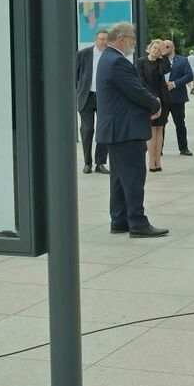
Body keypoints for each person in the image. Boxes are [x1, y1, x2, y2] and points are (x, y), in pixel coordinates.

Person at [95, 22, 167, 238]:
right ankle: (137, 222)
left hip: (117, 129)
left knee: (119, 178)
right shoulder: (117, 61)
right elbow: (135, 90)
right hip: (126, 130)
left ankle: (119, 219)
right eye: (132, 38)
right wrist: (155, 105)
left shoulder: (108, 59)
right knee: (134, 177)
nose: (134, 42)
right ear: (121, 39)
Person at [74, 28, 111, 175]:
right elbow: (75, 75)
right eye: (101, 39)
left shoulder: (110, 55)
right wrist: (79, 92)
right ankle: (87, 162)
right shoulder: (83, 54)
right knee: (87, 129)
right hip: (87, 97)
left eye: (106, 39)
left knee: (103, 130)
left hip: (105, 98)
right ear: (95, 39)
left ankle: (100, 163)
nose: (104, 42)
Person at [136, 39, 171, 172]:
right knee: (151, 130)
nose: (156, 50)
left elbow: (167, 69)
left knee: (160, 129)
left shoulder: (161, 62)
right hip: (149, 98)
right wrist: (152, 97)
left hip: (163, 98)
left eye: (159, 49)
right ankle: (151, 161)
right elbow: (141, 81)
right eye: (154, 48)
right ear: (149, 48)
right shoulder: (141, 62)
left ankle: (158, 160)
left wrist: (164, 54)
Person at [163, 39, 194, 156]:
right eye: (163, 47)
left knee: (180, 123)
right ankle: (158, 148)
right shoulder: (159, 60)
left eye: (167, 47)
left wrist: (174, 84)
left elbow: (189, 76)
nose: (164, 49)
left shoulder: (182, 60)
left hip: (177, 97)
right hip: (163, 98)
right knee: (160, 124)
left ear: (172, 48)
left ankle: (183, 147)